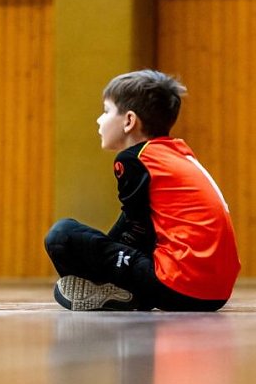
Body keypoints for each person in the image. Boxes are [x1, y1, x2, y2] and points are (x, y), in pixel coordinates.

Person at [44, 70, 240, 311]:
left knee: (62, 236)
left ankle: (121, 292)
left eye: (106, 111)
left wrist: (97, 263)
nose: (99, 120)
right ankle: (121, 291)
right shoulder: (177, 153)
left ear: (129, 121)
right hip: (216, 293)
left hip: (178, 285)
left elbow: (139, 229)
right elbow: (136, 220)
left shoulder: (134, 159)